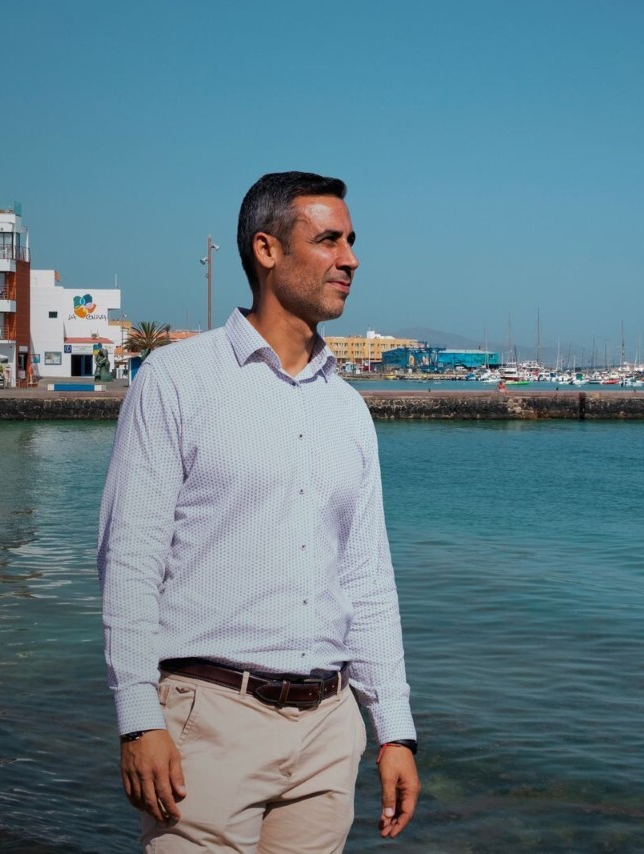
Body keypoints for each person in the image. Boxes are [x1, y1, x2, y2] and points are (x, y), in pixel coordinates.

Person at [98, 171, 419, 851]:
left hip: (329, 734)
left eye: (352, 241)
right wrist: (137, 717)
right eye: (329, 240)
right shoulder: (177, 381)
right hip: (207, 722)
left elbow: (368, 579)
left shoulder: (350, 411)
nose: (351, 259)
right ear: (267, 250)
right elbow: (129, 558)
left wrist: (394, 729)